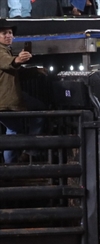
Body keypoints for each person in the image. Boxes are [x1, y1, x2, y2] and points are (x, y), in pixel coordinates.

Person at [0, 19, 45, 164]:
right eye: (4, 33)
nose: (8, 35)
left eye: (10, 33)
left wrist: (34, 71)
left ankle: (13, 166)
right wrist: (17, 60)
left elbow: (14, 71)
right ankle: (14, 165)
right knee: (14, 130)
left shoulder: (6, 50)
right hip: (5, 99)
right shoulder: (1, 52)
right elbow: (8, 63)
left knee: (14, 129)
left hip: (9, 96)